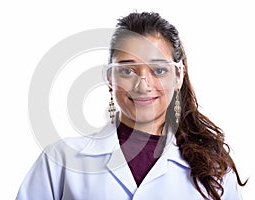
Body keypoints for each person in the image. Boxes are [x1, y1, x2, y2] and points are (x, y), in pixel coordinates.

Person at [16, 12, 247, 200]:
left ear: (178, 76)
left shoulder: (213, 168)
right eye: (127, 70)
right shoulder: (61, 161)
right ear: (109, 78)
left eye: (158, 70)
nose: (143, 85)